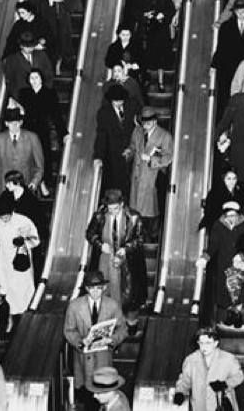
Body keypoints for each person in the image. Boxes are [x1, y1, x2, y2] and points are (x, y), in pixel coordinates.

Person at [86, 190, 147, 334]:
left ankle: (130, 327)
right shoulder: (100, 215)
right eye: (109, 209)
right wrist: (100, 244)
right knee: (107, 291)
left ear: (122, 204)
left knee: (128, 295)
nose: (112, 212)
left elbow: (140, 239)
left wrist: (125, 249)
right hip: (105, 260)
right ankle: (108, 326)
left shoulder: (134, 217)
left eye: (115, 209)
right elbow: (90, 233)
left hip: (128, 262)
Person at [63, 270, 128, 399]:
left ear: (104, 288)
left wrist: (112, 340)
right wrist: (80, 342)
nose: (95, 292)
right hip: (83, 359)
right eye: (92, 289)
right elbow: (69, 330)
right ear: (86, 288)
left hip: (103, 359)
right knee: (86, 397)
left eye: (99, 288)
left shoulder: (112, 305)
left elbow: (123, 329)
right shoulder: (74, 306)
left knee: (104, 395)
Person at [196, 201, 244, 327]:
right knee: (228, 291)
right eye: (229, 215)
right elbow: (213, 245)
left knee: (241, 290)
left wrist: (242, 255)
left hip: (241, 263)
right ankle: (231, 313)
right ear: (224, 215)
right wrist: (205, 257)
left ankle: (238, 314)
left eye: (234, 215)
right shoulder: (218, 225)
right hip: (224, 263)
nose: (231, 218)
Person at [0, 193, 39, 328]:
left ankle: (25, 320)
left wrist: (24, 242)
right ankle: (10, 320)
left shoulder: (24, 221)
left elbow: (36, 240)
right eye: (1, 216)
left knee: (24, 290)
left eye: (6, 216)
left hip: (21, 263)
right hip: (4, 261)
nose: (4, 219)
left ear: (12, 211)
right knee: (8, 291)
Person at [126, 106, 173, 240]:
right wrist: (129, 152)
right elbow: (133, 146)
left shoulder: (164, 136)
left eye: (148, 122)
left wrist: (151, 159)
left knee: (151, 210)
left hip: (152, 178)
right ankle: (137, 237)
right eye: (143, 122)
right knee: (135, 209)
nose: (145, 125)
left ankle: (151, 236)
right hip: (136, 176)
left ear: (155, 122)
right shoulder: (137, 131)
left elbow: (168, 157)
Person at [18, 68, 68, 188]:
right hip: (28, 129)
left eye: (36, 78)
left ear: (41, 79)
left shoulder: (49, 93)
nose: (34, 81)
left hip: (42, 129)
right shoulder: (24, 93)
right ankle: (31, 182)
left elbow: (56, 115)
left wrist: (64, 133)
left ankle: (44, 183)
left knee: (44, 155)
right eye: (31, 78)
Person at [211, 0, 244, 108]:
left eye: (243, 11)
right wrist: (213, 65)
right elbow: (221, 47)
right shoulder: (226, 26)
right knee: (227, 93)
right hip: (229, 65)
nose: (240, 13)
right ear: (234, 12)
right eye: (238, 11)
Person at [174, 326, 244, 409]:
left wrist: (225, 384)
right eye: (201, 343)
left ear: (215, 343)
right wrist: (180, 392)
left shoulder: (228, 359)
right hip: (199, 406)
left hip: (221, 406)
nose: (204, 347)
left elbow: (239, 376)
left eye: (208, 343)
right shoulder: (191, 360)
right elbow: (185, 380)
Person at [132, 0, 177, 92]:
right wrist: (144, 15)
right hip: (145, 32)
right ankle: (144, 82)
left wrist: (162, 16)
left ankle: (160, 83)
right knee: (144, 57)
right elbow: (134, 12)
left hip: (160, 32)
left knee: (160, 59)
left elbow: (171, 11)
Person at [0, 107, 44, 194]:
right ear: (6, 123)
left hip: (26, 189)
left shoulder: (32, 138)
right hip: (5, 189)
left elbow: (39, 167)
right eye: (11, 123)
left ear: (21, 123)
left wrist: (34, 182)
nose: (14, 126)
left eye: (17, 123)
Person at [93, 84, 139, 196]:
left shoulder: (132, 106)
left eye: (121, 101)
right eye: (116, 101)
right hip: (114, 154)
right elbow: (101, 136)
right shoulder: (104, 113)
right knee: (117, 183)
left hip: (133, 149)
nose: (119, 104)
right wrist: (98, 156)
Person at [3, 30, 54, 101]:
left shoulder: (41, 55)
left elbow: (49, 74)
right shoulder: (12, 59)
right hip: (23, 98)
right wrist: (18, 98)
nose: (30, 49)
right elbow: (10, 81)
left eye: (32, 46)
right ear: (21, 46)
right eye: (27, 46)